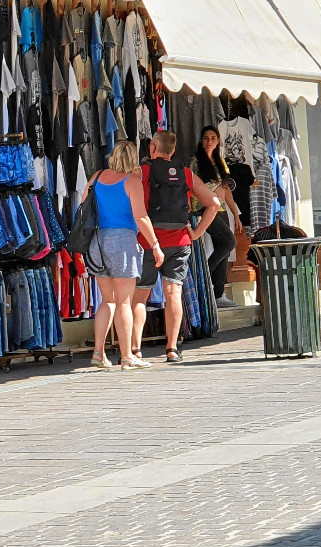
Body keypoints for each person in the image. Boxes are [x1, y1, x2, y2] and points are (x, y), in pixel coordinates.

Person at [132, 131, 221, 363]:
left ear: (152, 148)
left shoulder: (141, 172)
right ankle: (172, 349)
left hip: (148, 242)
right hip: (180, 241)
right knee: (173, 293)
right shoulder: (186, 173)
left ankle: (135, 349)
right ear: (172, 151)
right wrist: (197, 233)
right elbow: (214, 203)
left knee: (140, 296)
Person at [88, 140, 162, 371]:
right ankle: (127, 355)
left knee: (107, 300)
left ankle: (98, 353)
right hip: (122, 242)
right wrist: (155, 245)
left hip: (97, 241)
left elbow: (83, 209)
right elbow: (141, 217)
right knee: (124, 301)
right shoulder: (132, 182)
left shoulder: (96, 178)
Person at [194, 126, 243, 306]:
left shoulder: (220, 162)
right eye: (206, 138)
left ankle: (218, 293)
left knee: (223, 247)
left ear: (218, 141)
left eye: (213, 138)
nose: (209, 142)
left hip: (221, 209)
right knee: (229, 242)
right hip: (204, 208)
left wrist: (235, 213)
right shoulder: (195, 162)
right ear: (201, 140)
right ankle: (204, 276)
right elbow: (192, 188)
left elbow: (226, 189)